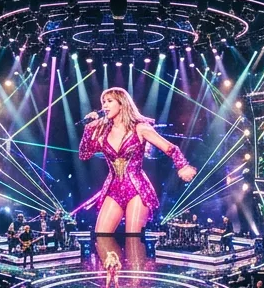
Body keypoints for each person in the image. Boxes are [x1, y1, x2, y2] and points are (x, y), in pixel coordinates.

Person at [79, 87, 197, 235]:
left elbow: (170, 148)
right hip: (112, 189)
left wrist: (183, 166)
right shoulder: (103, 132)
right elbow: (84, 154)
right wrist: (88, 129)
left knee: (133, 238)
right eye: (103, 102)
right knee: (101, 236)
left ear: (121, 104)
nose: (105, 106)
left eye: (109, 101)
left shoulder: (140, 128)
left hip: (136, 188)